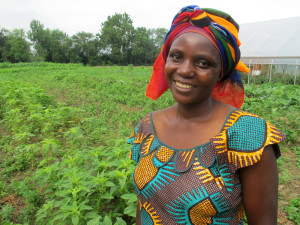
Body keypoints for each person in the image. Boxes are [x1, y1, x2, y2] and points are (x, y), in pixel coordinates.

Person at [128, 5, 285, 225]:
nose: (184, 70)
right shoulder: (148, 126)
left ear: (222, 71)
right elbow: (144, 205)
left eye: (203, 62)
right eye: (176, 57)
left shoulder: (248, 136)